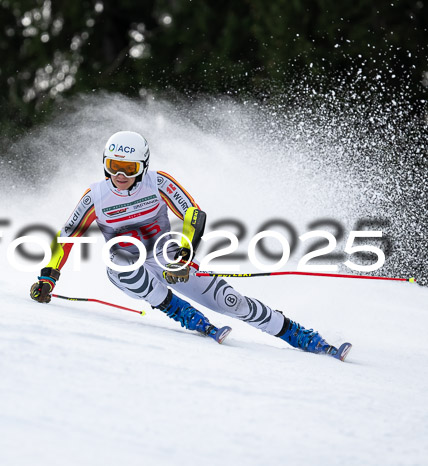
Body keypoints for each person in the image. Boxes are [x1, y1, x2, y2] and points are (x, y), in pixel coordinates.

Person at [29, 131, 351, 360]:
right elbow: (67, 234)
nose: (120, 175)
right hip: (126, 263)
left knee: (231, 301)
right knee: (118, 257)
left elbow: (193, 213)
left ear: (142, 166)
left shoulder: (159, 182)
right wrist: (48, 277)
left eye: (128, 168)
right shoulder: (96, 196)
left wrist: (185, 253)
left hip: (168, 258)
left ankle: (305, 338)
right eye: (113, 165)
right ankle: (181, 313)